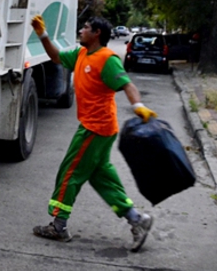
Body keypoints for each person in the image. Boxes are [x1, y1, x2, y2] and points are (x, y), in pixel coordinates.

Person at [29, 14, 157, 252]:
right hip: (97, 128)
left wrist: (138, 106)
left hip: (95, 128)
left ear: (97, 33)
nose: (81, 30)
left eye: (86, 28)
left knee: (70, 172)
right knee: (100, 177)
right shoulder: (80, 55)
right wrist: (42, 34)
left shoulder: (106, 59)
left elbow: (126, 84)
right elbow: (56, 57)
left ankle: (58, 226)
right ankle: (137, 219)